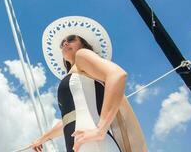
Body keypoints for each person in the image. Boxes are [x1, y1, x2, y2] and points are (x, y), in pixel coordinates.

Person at [32, 16, 147, 152]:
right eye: (62, 42)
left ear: (84, 45)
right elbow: (69, 118)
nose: (65, 43)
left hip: (93, 142)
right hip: (79, 143)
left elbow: (117, 75)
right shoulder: (74, 76)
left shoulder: (82, 55)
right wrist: (43, 138)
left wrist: (100, 129)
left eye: (71, 39)